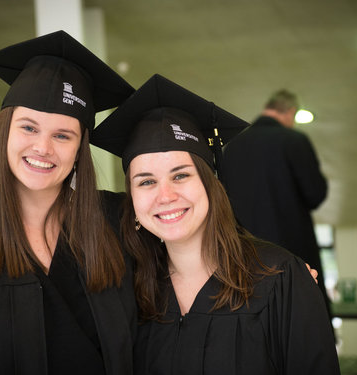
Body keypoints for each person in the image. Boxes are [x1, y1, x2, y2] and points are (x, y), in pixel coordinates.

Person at [93, 74, 340, 374]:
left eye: (181, 175)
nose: (165, 195)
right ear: (130, 199)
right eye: (146, 181)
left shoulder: (280, 280)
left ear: (211, 184)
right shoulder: (130, 293)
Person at [0, 31, 136, 375]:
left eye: (62, 135)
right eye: (28, 128)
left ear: (79, 150)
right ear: (2, 133)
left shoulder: (120, 223)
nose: (43, 147)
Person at [221, 89, 330, 314]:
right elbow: (315, 194)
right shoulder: (294, 140)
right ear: (290, 112)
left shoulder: (232, 146)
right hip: (290, 251)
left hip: (245, 256)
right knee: (298, 318)